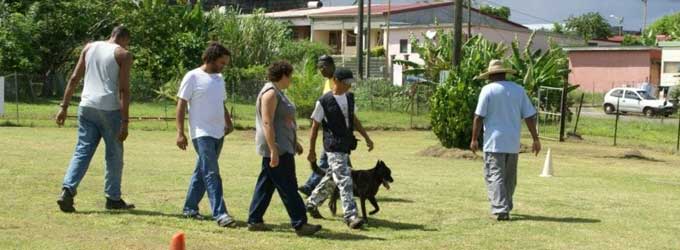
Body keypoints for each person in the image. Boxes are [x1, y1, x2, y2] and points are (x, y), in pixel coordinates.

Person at [56, 25, 134, 213]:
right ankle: (113, 198)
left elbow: (74, 78)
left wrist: (64, 107)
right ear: (124, 38)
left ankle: (67, 190)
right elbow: (123, 90)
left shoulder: (89, 47)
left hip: (86, 106)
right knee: (114, 155)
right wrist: (125, 122)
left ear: (111, 35)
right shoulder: (124, 54)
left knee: (82, 150)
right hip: (109, 109)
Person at [247, 61, 322, 236]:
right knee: (288, 185)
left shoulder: (277, 92)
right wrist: (274, 149)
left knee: (266, 184)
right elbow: (267, 122)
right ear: (283, 75)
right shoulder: (271, 93)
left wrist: (294, 142)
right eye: (290, 76)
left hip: (283, 145)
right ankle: (300, 224)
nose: (291, 80)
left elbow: (282, 121)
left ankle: (255, 219)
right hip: (278, 148)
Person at [470, 59, 541, 221]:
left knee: (494, 175)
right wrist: (535, 139)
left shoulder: (487, 90)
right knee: (510, 177)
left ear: (491, 75)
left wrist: (474, 138)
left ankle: (501, 209)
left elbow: (478, 116)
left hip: (493, 142)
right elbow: (529, 116)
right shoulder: (518, 90)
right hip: (512, 142)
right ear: (505, 73)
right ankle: (506, 204)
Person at [176, 42, 237, 228]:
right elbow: (180, 104)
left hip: (219, 133)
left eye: (225, 63)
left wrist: (228, 121)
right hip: (201, 133)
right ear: (210, 59)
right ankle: (220, 213)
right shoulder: (192, 76)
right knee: (212, 173)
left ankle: (190, 208)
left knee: (202, 172)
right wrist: (180, 132)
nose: (223, 67)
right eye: (221, 62)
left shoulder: (219, 79)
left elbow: (221, 103)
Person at [305, 68, 374, 229]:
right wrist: (311, 150)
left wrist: (366, 137)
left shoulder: (350, 98)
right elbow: (314, 127)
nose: (349, 86)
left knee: (333, 177)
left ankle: (311, 202)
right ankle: (350, 216)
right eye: (346, 83)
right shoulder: (323, 101)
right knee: (344, 178)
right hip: (333, 146)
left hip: (345, 145)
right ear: (335, 80)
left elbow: (354, 119)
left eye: (350, 83)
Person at [298, 55, 337, 196]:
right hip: (329, 128)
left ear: (332, 65)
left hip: (336, 130)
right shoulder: (328, 81)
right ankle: (314, 186)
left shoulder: (338, 80)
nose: (321, 70)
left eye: (324, 66)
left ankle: (311, 186)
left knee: (327, 160)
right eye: (319, 67)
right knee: (335, 162)